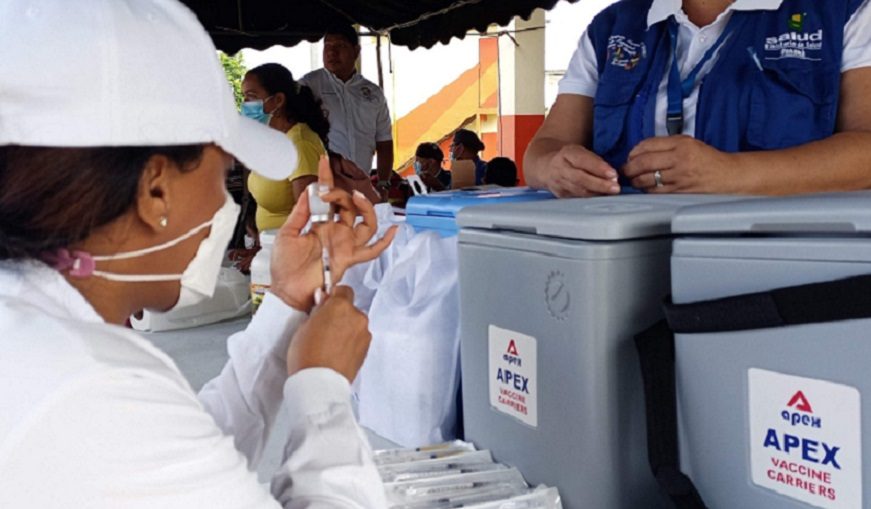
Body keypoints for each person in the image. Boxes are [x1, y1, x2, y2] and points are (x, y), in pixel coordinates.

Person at [0, 1, 398, 507]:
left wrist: (287, 302)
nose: (222, 206)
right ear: (156, 190)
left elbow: (184, 459)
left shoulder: (42, 337)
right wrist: (323, 390)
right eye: (222, 174)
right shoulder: (83, 385)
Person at [524, 0, 871, 198]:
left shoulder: (842, 12)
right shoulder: (612, 28)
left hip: (776, 270)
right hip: (622, 266)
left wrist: (731, 173)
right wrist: (554, 169)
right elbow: (544, 148)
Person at [300, 25, 395, 200]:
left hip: (362, 185)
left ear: (356, 51)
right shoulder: (309, 85)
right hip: (324, 186)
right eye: (327, 46)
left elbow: (384, 141)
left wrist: (383, 183)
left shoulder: (373, 93)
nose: (332, 52)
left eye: (340, 46)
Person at [242, 63, 331, 231]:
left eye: (251, 97)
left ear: (278, 100)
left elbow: (311, 217)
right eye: (244, 97)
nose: (245, 104)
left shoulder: (300, 144)